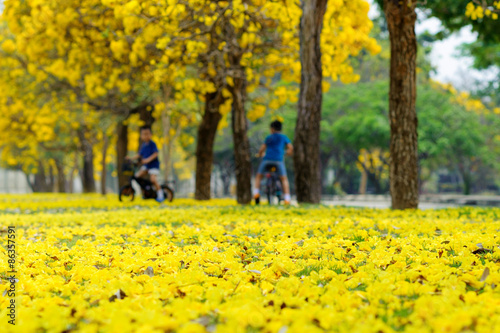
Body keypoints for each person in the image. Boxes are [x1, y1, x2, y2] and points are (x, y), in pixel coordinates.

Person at [254, 120, 293, 205]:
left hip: (267, 159)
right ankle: (287, 199)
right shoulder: (283, 137)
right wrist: (286, 153)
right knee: (284, 178)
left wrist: (260, 154)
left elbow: (262, 149)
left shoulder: (269, 137)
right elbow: (290, 148)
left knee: (258, 176)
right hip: (279, 160)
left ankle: (256, 194)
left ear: (272, 129)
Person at [127, 126, 164, 202]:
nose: (146, 136)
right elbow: (139, 154)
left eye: (147, 134)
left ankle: (161, 195)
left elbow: (155, 154)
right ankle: (145, 193)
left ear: (151, 134)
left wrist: (147, 160)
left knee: (153, 180)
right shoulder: (144, 145)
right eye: (144, 134)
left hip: (153, 165)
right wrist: (131, 158)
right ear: (141, 135)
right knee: (137, 177)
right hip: (146, 166)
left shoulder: (152, 144)